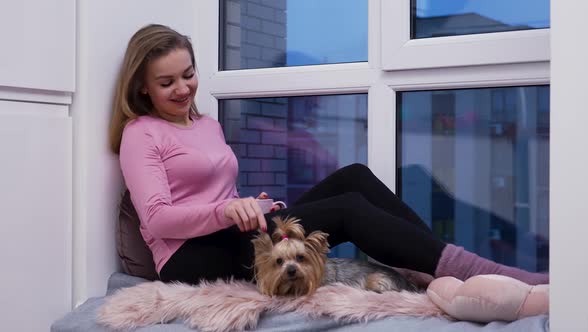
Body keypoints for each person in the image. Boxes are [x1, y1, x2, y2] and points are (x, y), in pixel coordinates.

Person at [108, 24, 548, 287]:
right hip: (187, 257)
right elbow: (159, 219)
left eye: (188, 74)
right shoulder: (140, 133)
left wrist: (251, 205)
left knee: (353, 176)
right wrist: (226, 211)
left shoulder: (206, 124)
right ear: (143, 85)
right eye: (167, 83)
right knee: (346, 210)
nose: (183, 89)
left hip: (229, 235)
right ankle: (481, 275)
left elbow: (221, 193)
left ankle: (432, 269)